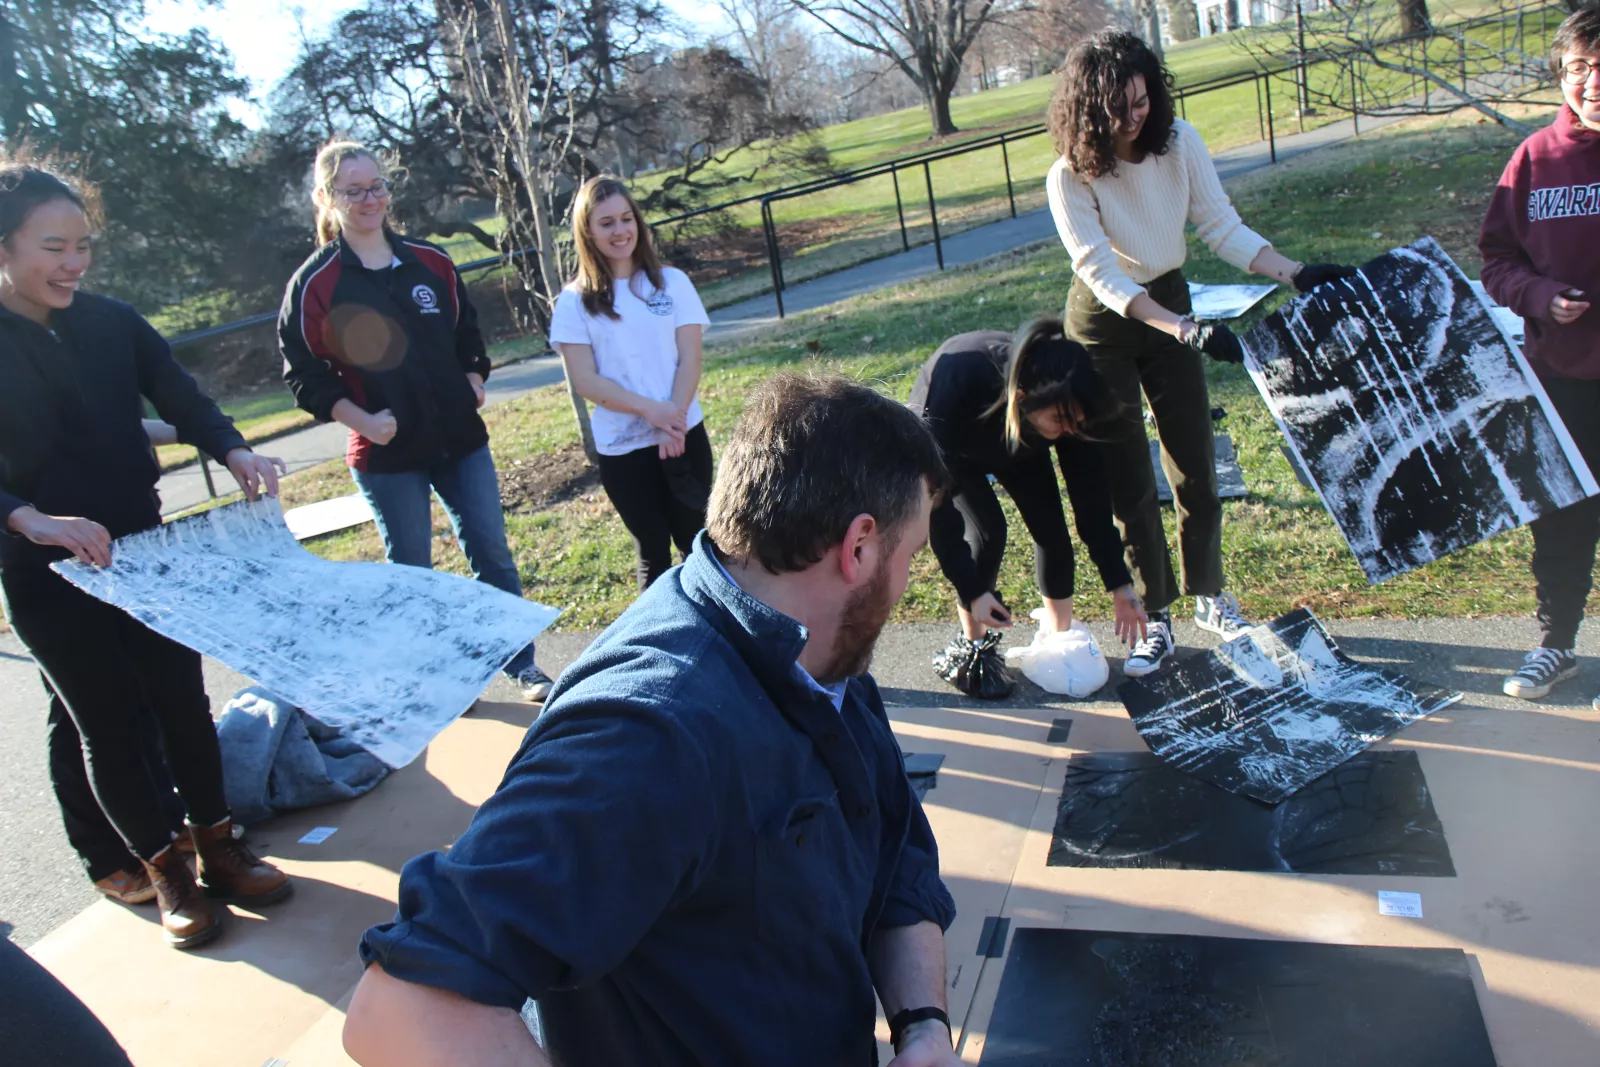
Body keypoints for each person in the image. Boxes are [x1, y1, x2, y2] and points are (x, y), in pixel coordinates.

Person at [343, 373, 961, 1067]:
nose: (909, 585)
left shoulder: (822, 662)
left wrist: (923, 1025)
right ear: (860, 547)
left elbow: (898, 859)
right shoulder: (652, 735)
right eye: (912, 556)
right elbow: (403, 1009)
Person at [0, 162, 292, 950]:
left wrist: (232, 447)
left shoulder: (111, 321)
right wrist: (31, 519)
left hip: (146, 551)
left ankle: (219, 843)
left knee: (182, 705)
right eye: (52, 246)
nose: (73, 263)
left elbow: (178, 393)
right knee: (110, 726)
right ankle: (164, 868)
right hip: (50, 572)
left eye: (83, 245)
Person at [1046, 29, 1358, 676]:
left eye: (1143, 99)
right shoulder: (1069, 177)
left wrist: (1296, 272)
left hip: (1170, 297)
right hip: (1106, 321)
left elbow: (1220, 225)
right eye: (1119, 108)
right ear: (1087, 110)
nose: (1136, 116)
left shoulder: (1179, 142)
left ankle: (1209, 594)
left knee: (1194, 460)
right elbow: (1104, 276)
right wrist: (1183, 329)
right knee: (1130, 475)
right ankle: (1154, 615)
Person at [280, 140, 553, 703]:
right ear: (327, 198)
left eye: (376, 186)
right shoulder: (316, 283)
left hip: (460, 440)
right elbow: (303, 373)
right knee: (412, 573)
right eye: (353, 191)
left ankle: (521, 666)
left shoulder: (431, 262)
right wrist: (360, 418)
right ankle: (439, 684)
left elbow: (467, 334)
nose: (369, 199)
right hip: (387, 457)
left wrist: (474, 378)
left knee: (491, 551)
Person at [911, 319, 1150, 694]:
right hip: (954, 439)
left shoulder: (1066, 405)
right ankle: (974, 645)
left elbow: (1091, 503)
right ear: (1023, 397)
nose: (1070, 429)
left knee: (1051, 530)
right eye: (1060, 421)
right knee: (988, 532)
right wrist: (973, 590)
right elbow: (938, 511)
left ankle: (1059, 638)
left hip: (1019, 437)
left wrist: (1119, 583)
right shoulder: (959, 381)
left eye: (1077, 421)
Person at [1482, 7, 1600, 707]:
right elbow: (1497, 260)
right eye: (1579, 68)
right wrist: (1540, 296)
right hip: (1562, 375)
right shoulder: (1536, 159)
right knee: (1561, 520)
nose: (1590, 82)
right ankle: (1557, 643)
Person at [550, 175, 713, 590]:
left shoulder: (672, 283)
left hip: (684, 437)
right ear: (587, 231)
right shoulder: (573, 302)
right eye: (606, 223)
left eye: (626, 219)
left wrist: (672, 420)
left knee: (704, 549)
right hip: (624, 452)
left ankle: (723, 644)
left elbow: (690, 358)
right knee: (653, 555)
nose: (620, 230)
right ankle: (659, 650)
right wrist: (650, 412)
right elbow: (585, 380)